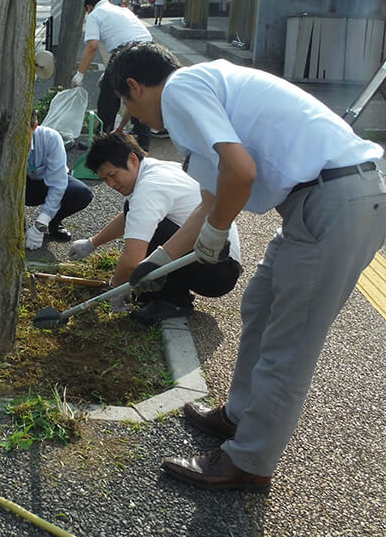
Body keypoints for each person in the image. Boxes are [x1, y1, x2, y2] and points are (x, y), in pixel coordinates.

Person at [106, 40, 386, 492]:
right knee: (259, 305)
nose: (133, 114)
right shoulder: (203, 86)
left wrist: (218, 232)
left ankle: (250, 461)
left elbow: (241, 172)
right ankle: (238, 416)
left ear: (135, 87)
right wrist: (159, 260)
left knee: (288, 345)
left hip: (334, 202)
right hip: (321, 202)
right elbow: (212, 199)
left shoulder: (181, 91)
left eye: (126, 101)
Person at [71, 131, 241, 324]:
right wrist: (92, 243)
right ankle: (161, 292)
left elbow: (132, 259)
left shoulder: (150, 186)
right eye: (105, 179)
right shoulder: (154, 169)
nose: (111, 184)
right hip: (215, 261)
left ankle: (172, 300)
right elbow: (130, 218)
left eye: (112, 175)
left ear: (132, 159)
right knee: (136, 214)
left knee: (147, 228)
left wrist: (115, 289)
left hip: (216, 271)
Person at [71, 0, 153, 151]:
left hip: (126, 53)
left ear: (89, 7)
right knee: (138, 96)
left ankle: (100, 141)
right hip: (150, 50)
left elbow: (92, 46)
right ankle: (142, 144)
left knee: (107, 99)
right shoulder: (122, 9)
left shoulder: (95, 15)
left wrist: (80, 74)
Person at [25, 115, 94, 249]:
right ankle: (14, 220)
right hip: (19, 187)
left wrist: (41, 223)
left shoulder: (51, 138)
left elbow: (57, 184)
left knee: (82, 194)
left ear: (35, 126)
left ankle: (53, 222)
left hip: (46, 184)